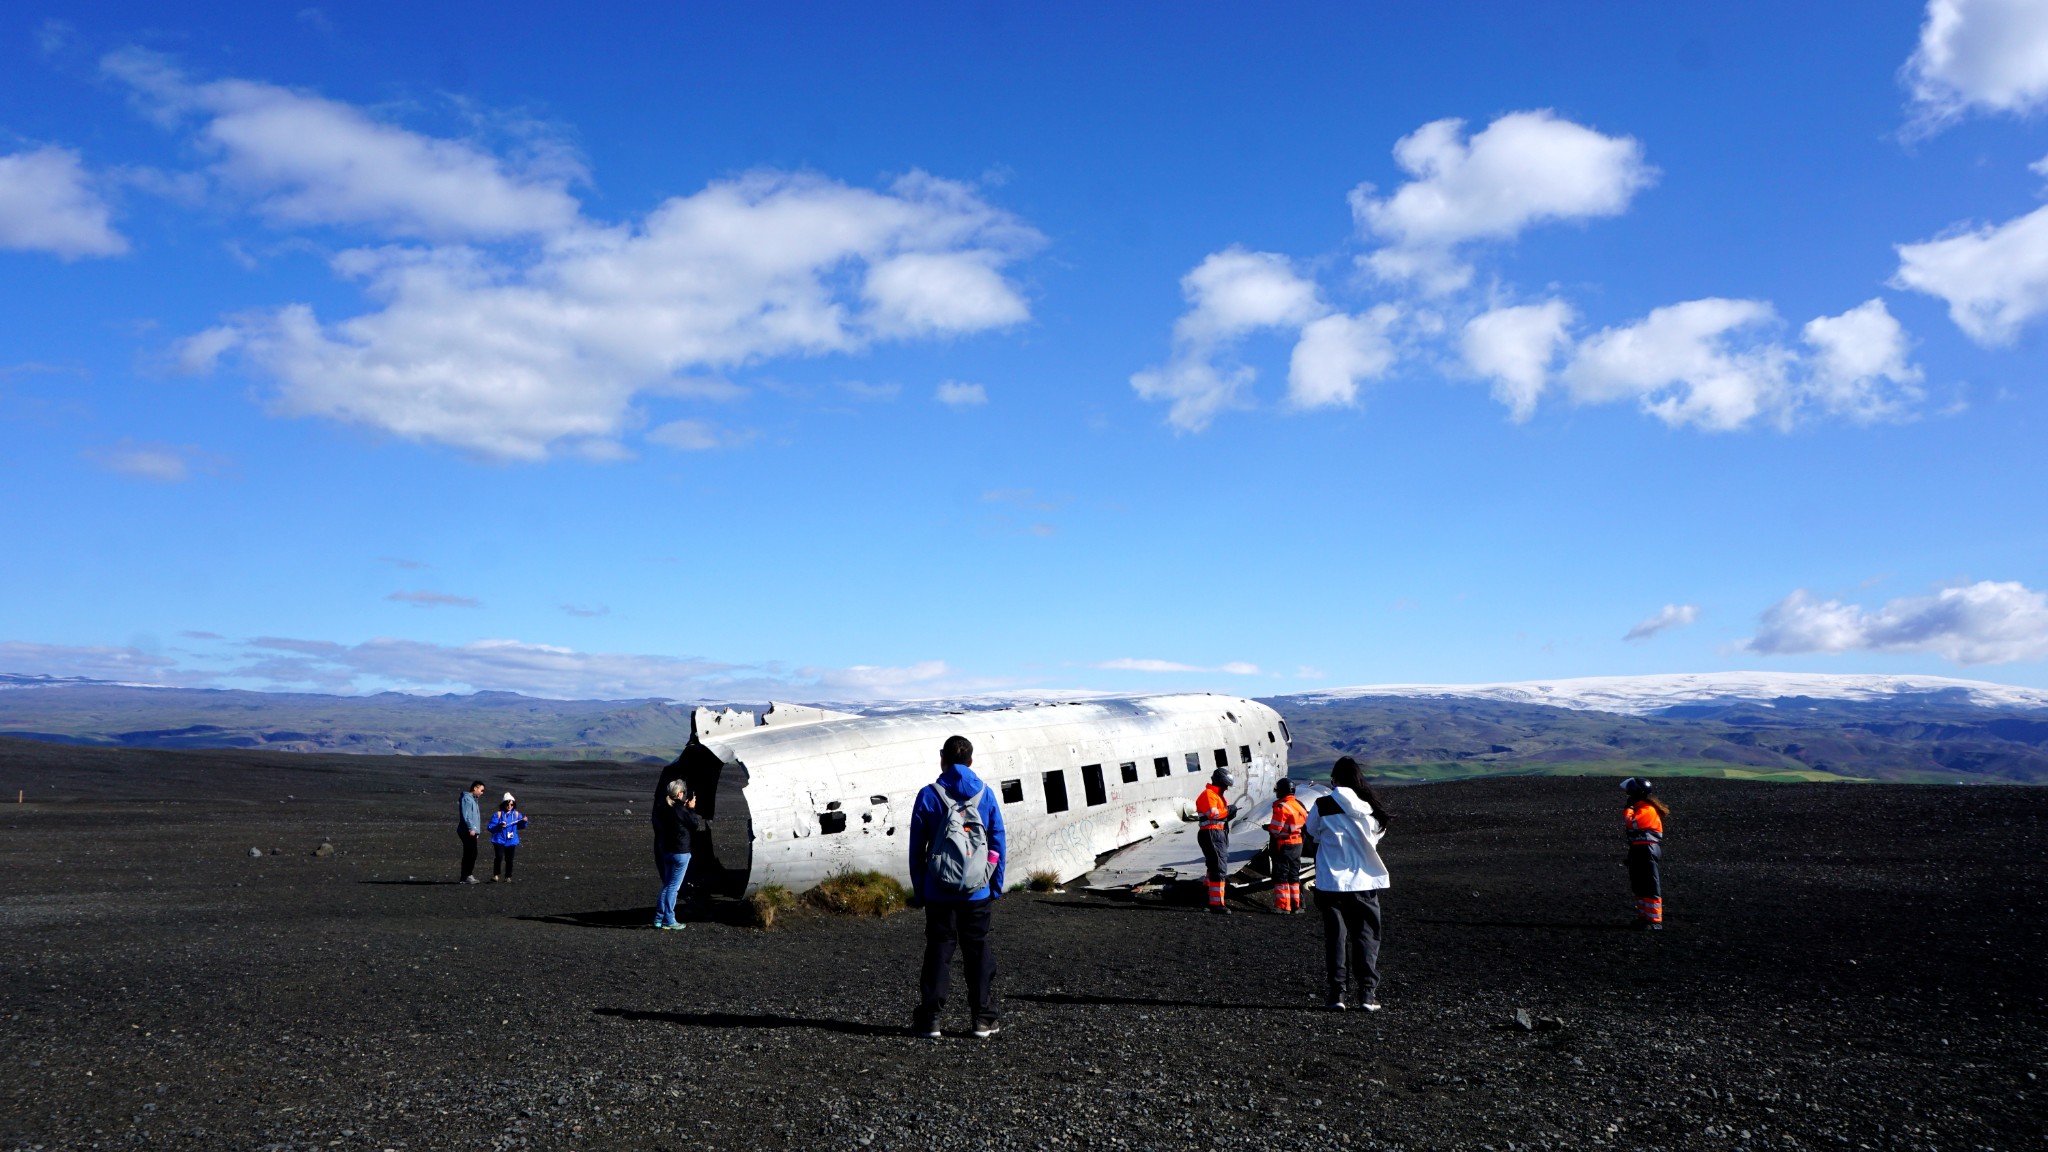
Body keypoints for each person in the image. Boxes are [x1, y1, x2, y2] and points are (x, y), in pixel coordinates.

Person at [908, 734, 1007, 1040]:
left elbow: (916, 848)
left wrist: (921, 888)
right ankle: (982, 1018)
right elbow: (998, 840)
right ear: (971, 761)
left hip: (939, 891)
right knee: (977, 951)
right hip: (977, 890)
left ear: (943, 759)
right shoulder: (986, 794)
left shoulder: (928, 795)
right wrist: (995, 884)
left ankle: (931, 1020)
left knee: (939, 951)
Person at [1303, 756, 1391, 1011]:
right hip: (1363, 882)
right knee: (1366, 938)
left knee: (1336, 939)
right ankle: (1367, 995)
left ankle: (1337, 995)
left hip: (1331, 883)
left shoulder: (1322, 805)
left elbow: (1312, 832)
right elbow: (1377, 833)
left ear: (1335, 779)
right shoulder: (1370, 808)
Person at [651, 779, 701, 930]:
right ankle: (669, 920)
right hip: (680, 853)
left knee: (667, 885)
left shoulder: (663, 808)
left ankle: (659, 918)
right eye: (683, 793)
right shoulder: (681, 810)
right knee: (673, 887)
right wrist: (691, 809)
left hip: (666, 851)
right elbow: (695, 825)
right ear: (679, 794)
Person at [1620, 777, 1668, 930]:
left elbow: (1631, 822)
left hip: (1646, 849)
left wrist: (1628, 809)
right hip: (1639, 848)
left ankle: (1654, 921)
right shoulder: (1643, 808)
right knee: (1640, 884)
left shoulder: (1647, 810)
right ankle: (1645, 917)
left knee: (1649, 885)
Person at [1194, 767, 1237, 914]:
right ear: (1219, 782)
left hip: (1217, 833)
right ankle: (1217, 903)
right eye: (1225, 785)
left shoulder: (1217, 795)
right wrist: (1229, 811)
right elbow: (1213, 814)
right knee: (1219, 868)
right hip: (1211, 833)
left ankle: (1207, 898)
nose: (1226, 788)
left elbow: (1220, 815)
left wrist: (1229, 814)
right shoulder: (1209, 795)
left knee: (1214, 867)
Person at [1263, 779, 1309, 914]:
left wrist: (1268, 827)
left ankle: (1283, 906)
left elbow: (1276, 829)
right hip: (1298, 844)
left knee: (1281, 874)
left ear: (1282, 791)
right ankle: (1297, 906)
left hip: (1284, 845)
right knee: (1294, 875)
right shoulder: (1299, 805)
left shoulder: (1281, 807)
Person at [488, 793, 529, 882]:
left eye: (511, 804)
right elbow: (490, 827)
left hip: (511, 840)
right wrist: (499, 826)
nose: (509, 806)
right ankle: (496, 875)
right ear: (504, 804)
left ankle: (508, 876)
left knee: (509, 859)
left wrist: (524, 821)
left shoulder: (517, 814)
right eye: (508, 804)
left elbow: (521, 826)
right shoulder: (498, 815)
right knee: (499, 857)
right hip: (499, 839)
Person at [456, 780, 485, 884]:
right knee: (471, 853)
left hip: (472, 831)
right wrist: (471, 828)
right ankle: (467, 875)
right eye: (481, 790)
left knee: (471, 853)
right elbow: (466, 815)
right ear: (475, 788)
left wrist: (476, 831)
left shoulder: (473, 800)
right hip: (466, 830)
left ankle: (465, 876)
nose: (482, 793)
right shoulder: (467, 799)